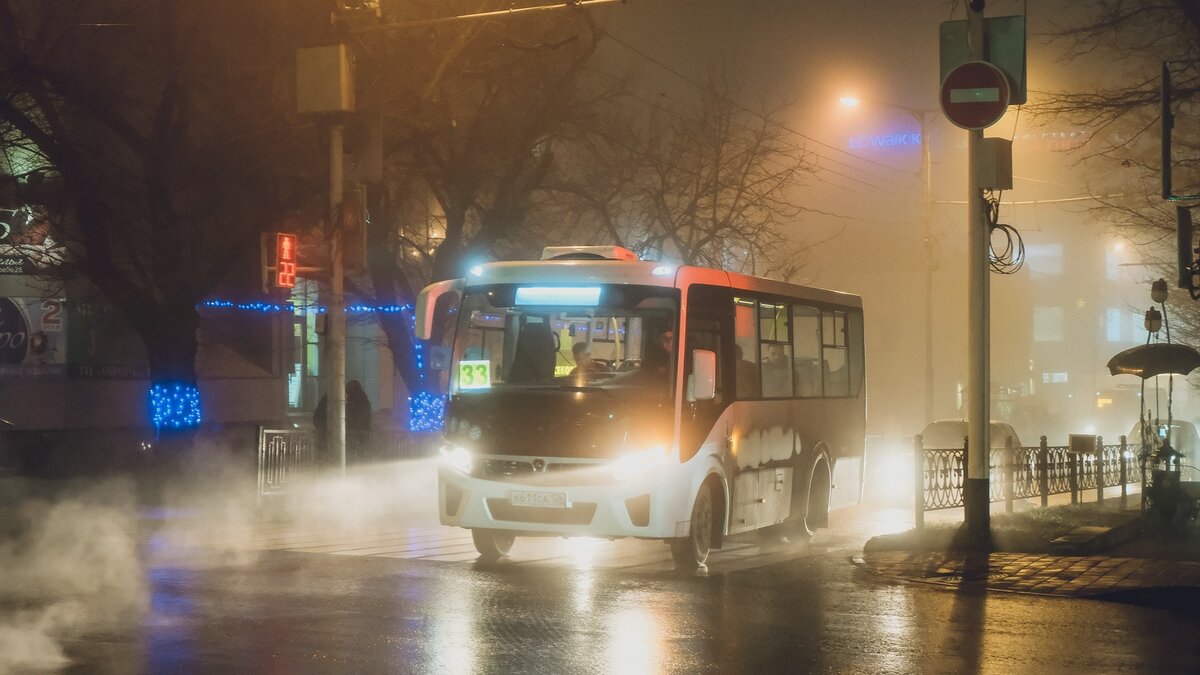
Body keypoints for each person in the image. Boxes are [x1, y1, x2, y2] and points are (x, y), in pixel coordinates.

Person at [313, 380, 373, 462]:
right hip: (357, 437)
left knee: (328, 460)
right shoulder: (363, 400)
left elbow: (317, 419)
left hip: (332, 438)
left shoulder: (332, 399)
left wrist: (326, 430)